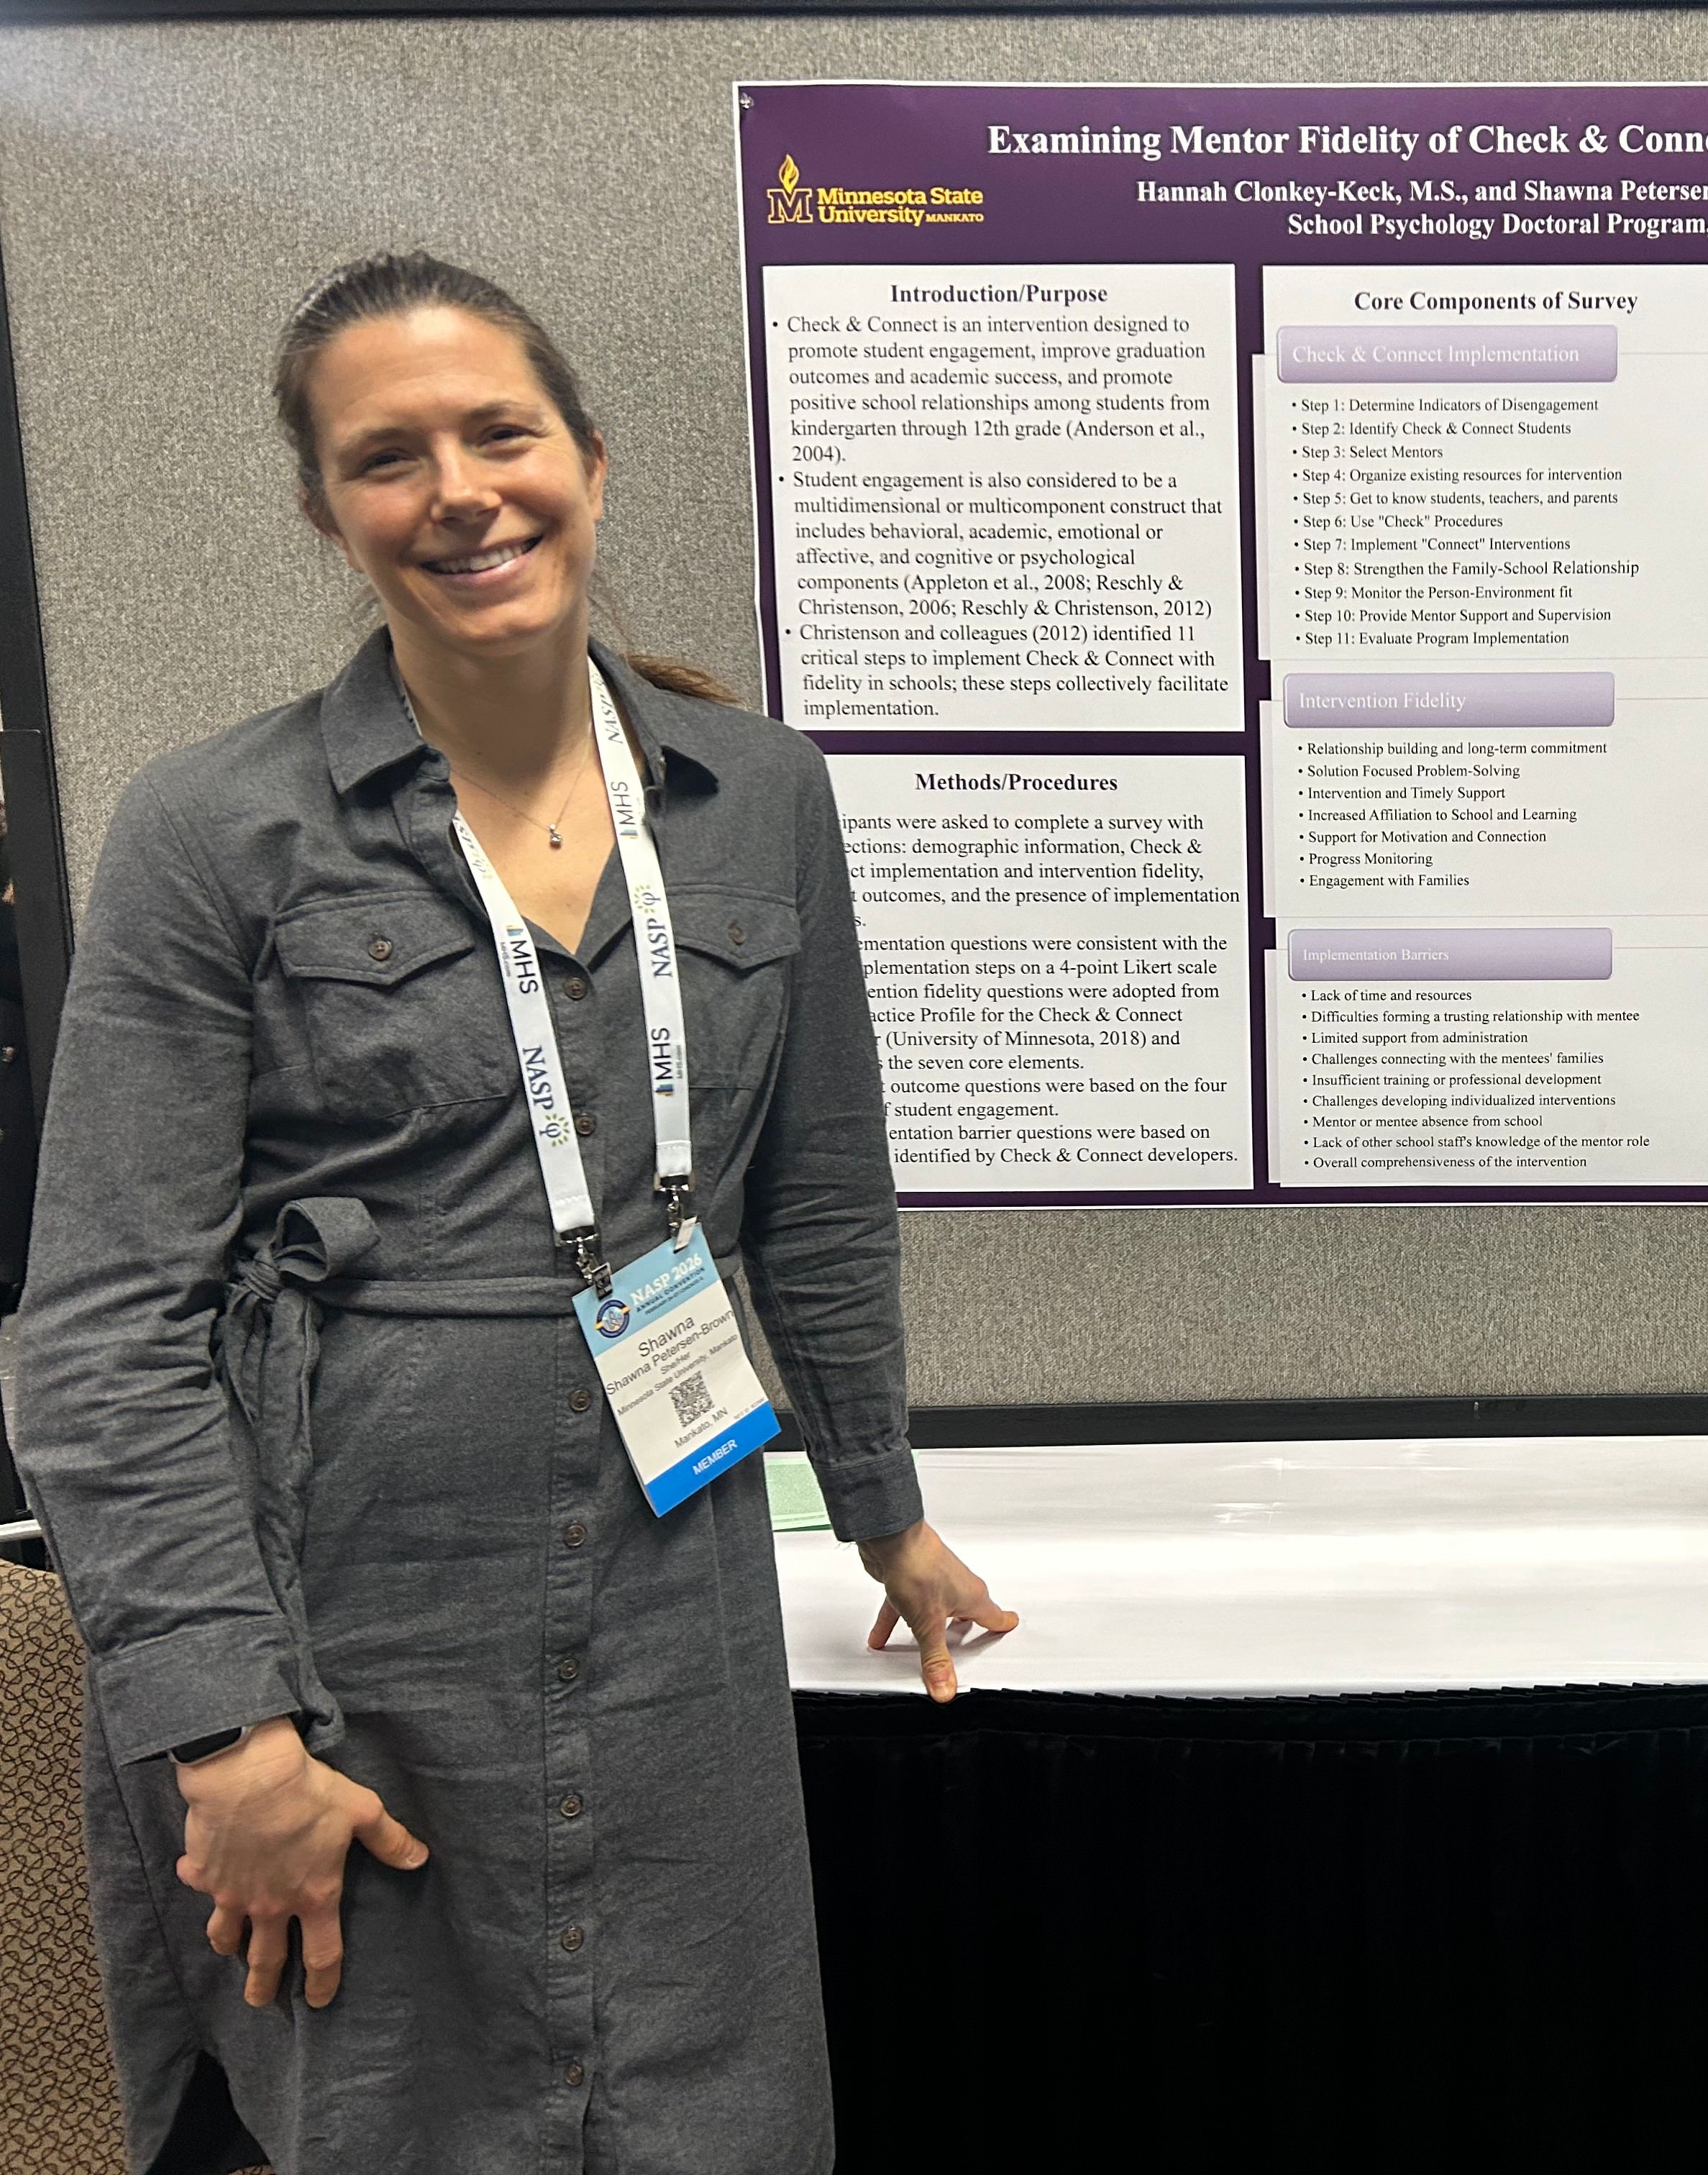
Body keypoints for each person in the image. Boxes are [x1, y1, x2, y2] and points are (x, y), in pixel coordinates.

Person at [15, 252, 1017, 2174]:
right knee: (392, 2119)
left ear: (591, 459)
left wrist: (887, 1506)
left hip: (678, 1607)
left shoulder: (758, 802)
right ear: (331, 511)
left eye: (502, 432)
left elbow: (818, 1206)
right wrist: (225, 1730)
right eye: (389, 456)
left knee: (691, 2110)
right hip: (341, 1623)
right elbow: (102, 1328)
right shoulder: (214, 830)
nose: (461, 490)